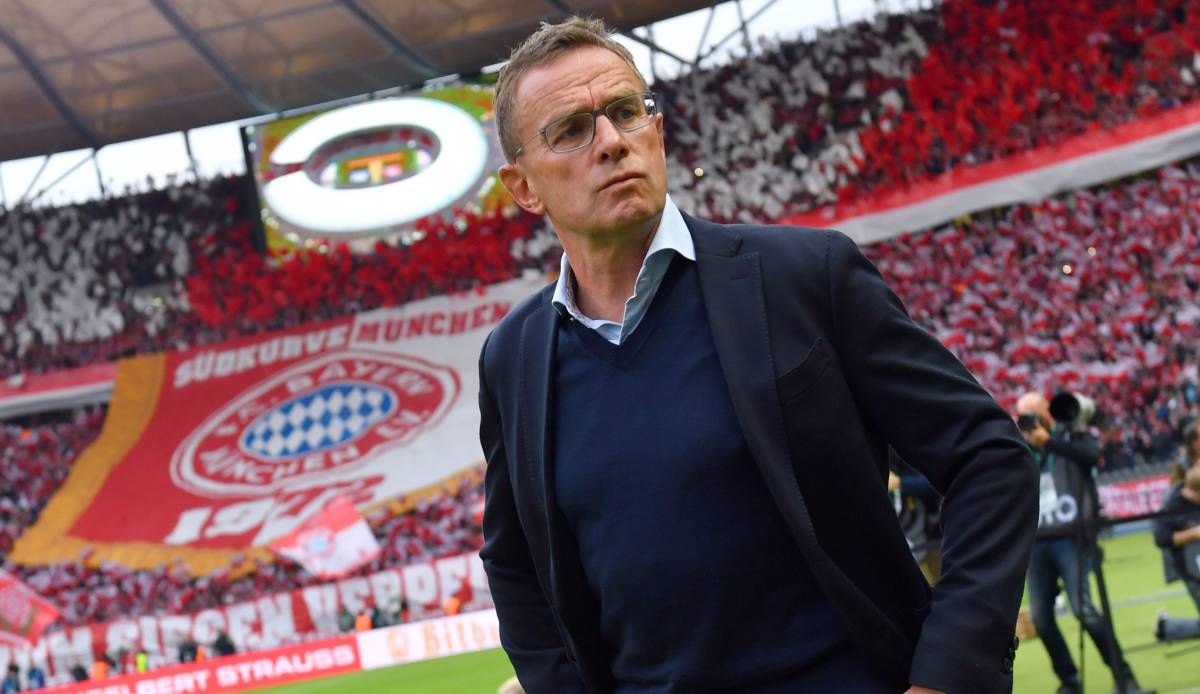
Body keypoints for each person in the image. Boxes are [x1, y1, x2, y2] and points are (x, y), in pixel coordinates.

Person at [479, 17, 1038, 694]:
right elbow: (515, 564)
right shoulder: (513, 358)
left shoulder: (806, 275)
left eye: (625, 112)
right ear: (523, 187)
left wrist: (948, 674)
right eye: (571, 130)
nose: (612, 142)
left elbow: (988, 457)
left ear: (657, 132)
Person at [1016, 392, 1152, 694]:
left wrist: (1048, 442)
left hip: (1071, 537)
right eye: (1024, 417)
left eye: (1035, 414)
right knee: (1040, 618)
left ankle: (1124, 677)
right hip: (1036, 542)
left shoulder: (1071, 436)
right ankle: (1069, 680)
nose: (1031, 422)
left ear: (1047, 413)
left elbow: (1091, 456)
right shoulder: (1019, 449)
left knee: (1084, 610)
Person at [1152, 465, 1200, 640]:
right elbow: (1161, 538)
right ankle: (1166, 627)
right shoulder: (1172, 506)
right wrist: (1194, 533)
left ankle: (1166, 627)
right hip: (1191, 569)